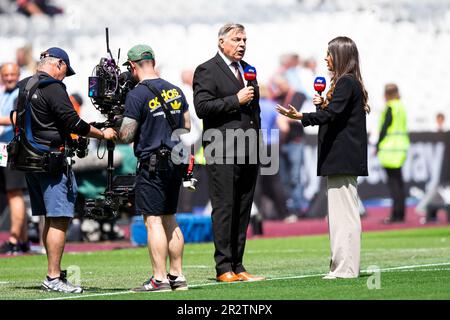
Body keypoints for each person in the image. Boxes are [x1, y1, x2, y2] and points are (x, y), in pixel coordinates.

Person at [15, 47, 117, 293]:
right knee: (59, 218)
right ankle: (53, 277)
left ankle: (53, 274)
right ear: (58, 64)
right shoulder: (53, 87)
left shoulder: (23, 85)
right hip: (51, 161)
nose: (64, 77)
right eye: (65, 71)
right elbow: (73, 122)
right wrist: (102, 133)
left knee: (50, 219)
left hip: (30, 160)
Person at [276, 36, 369, 279]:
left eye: (329, 53)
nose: (326, 58)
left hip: (343, 157)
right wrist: (319, 107)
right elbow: (331, 116)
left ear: (339, 56)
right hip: (339, 158)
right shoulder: (346, 82)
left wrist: (301, 117)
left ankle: (346, 268)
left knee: (344, 217)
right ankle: (340, 265)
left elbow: (332, 115)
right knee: (339, 217)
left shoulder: (346, 83)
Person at [193, 23, 265, 282]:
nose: (242, 44)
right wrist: (236, 99)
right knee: (225, 207)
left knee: (244, 208)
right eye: (236, 39)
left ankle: (239, 265)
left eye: (245, 39)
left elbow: (253, 111)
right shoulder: (206, 70)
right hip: (222, 149)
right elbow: (202, 107)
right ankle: (223, 267)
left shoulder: (248, 70)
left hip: (250, 148)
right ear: (221, 42)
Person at [119, 44, 190, 292]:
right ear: (153, 61)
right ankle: (177, 277)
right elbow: (187, 126)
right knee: (171, 217)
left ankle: (159, 279)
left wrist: (118, 126)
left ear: (132, 66)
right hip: (175, 159)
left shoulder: (137, 94)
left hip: (152, 162)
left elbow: (127, 135)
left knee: (153, 221)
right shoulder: (176, 89)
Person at [0, 63, 29, 255]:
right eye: (6, 74)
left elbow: (19, 117)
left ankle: (13, 240)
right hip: (3, 148)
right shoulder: (3, 93)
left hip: (14, 148)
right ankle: (24, 240)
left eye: (13, 74)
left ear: (18, 74)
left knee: (14, 193)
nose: (9, 77)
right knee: (11, 194)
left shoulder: (21, 93)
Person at [272, 74, 307, 221]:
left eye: (281, 84)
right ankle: (290, 207)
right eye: (277, 85)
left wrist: (283, 118)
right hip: (281, 143)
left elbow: (295, 114)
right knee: (284, 178)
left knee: (294, 177)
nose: (279, 88)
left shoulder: (297, 95)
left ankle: (299, 207)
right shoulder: (277, 98)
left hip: (295, 141)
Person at [376, 84, 409, 224]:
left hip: (390, 150)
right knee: (399, 183)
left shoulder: (390, 107)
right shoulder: (401, 107)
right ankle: (401, 214)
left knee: (393, 184)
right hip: (400, 149)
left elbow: (385, 128)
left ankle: (395, 215)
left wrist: (378, 144)